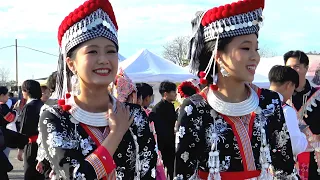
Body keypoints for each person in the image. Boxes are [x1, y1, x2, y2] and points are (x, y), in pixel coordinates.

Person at [174, 0, 298, 179]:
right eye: (246, 48)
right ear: (218, 56)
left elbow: (285, 169)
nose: (255, 56)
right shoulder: (195, 108)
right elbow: (183, 174)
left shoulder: (269, 102)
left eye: (256, 48)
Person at [38, 0, 157, 179]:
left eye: (110, 51)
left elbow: (148, 173)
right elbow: (76, 176)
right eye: (92, 52)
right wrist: (116, 133)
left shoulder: (135, 115)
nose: (103, 59)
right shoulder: (56, 117)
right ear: (71, 64)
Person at [284, 50, 320, 179]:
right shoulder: (279, 98)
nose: (292, 71)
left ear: (306, 68)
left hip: (315, 160)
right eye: (289, 68)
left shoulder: (318, 95)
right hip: (289, 160)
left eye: (297, 67)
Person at [269, 65, 308, 157]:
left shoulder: (256, 103)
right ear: (289, 85)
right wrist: (302, 135)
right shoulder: (285, 110)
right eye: (293, 89)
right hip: (278, 166)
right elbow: (295, 147)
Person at [149, 80, 177, 179]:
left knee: (171, 168)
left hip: (171, 142)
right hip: (163, 144)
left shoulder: (170, 106)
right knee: (166, 168)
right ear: (166, 94)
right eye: (173, 92)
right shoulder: (157, 109)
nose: (176, 94)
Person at [18, 80, 44, 180]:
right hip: (42, 146)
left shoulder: (28, 107)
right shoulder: (42, 104)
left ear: (26, 91)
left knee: (30, 174)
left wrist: (20, 148)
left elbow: (24, 129)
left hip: (32, 145)